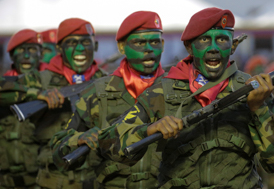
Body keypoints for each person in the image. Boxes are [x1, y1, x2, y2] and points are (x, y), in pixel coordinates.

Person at [91, 7, 274, 188]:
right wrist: (148, 129)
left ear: (232, 46)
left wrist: (260, 109)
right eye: (204, 40)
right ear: (189, 47)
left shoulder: (253, 89)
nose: (213, 48)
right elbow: (109, 142)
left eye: (221, 39)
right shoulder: (161, 92)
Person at [51, 11, 166, 189]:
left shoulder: (176, 88)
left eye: (155, 42)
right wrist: (79, 139)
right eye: (139, 42)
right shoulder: (97, 92)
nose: (148, 48)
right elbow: (59, 152)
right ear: (121, 47)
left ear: (163, 45)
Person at [15, 18, 107, 189]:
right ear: (59, 48)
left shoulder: (107, 81)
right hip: (54, 181)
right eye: (72, 43)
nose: (80, 49)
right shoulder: (40, 80)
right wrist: (37, 94)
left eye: (86, 42)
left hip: (96, 180)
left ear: (95, 46)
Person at [0, 31, 63, 189]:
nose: (27, 56)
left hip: (39, 180)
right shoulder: (4, 86)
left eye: (33, 50)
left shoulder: (53, 88)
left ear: (41, 54)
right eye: (21, 50)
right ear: (11, 56)